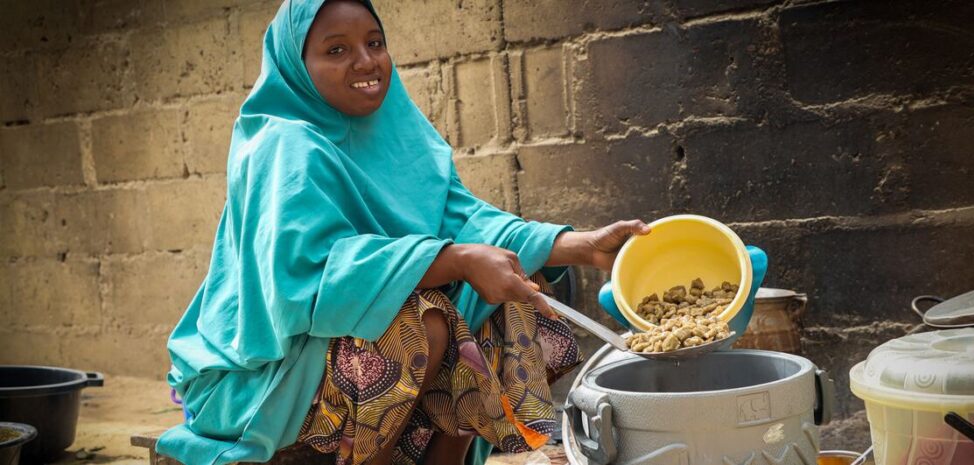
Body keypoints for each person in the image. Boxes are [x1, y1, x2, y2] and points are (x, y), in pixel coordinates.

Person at [156, 1, 650, 464]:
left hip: (344, 357)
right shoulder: (283, 144)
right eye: (336, 50)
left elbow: (469, 223)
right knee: (421, 320)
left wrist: (584, 247)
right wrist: (456, 261)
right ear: (296, 64)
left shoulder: (396, 129)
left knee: (511, 300)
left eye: (375, 43)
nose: (366, 62)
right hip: (266, 368)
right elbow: (307, 282)